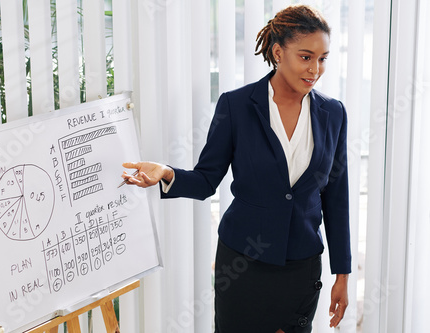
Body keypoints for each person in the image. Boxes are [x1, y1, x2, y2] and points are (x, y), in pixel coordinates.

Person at [122, 4, 350, 333]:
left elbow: (336, 197)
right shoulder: (237, 106)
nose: (315, 69)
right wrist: (166, 173)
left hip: (301, 268)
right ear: (277, 51)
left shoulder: (334, 113)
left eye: (323, 58)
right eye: (305, 57)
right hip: (243, 265)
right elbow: (205, 181)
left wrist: (342, 275)